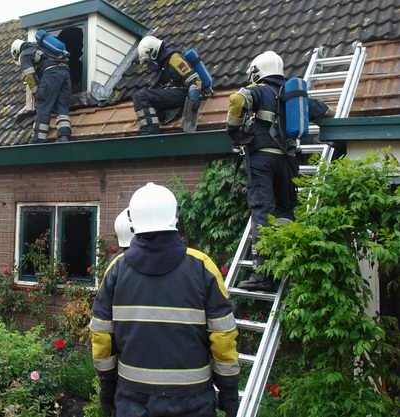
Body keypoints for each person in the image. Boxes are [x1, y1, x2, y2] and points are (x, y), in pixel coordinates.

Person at [91, 183, 240, 417]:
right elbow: (223, 335)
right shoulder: (202, 267)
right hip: (193, 402)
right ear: (175, 216)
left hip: (133, 402)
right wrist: (228, 389)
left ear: (132, 219)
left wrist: (107, 386)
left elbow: (101, 335)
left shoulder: (116, 270)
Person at [227, 50, 335, 291]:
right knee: (285, 211)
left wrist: (234, 131)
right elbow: (328, 113)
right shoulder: (295, 96)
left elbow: (236, 100)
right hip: (287, 161)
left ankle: (263, 274)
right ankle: (286, 262)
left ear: (258, 71)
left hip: (262, 160)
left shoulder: (259, 90)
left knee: (263, 211)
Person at [11, 30, 72, 144]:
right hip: (66, 73)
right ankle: (64, 136)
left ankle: (38, 138)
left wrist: (37, 93)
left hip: (52, 75)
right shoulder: (40, 47)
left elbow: (29, 75)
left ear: (17, 51)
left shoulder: (24, 54)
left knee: (43, 105)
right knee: (62, 105)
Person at [133, 35, 202, 135]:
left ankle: (150, 134)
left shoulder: (174, 58)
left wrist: (194, 95)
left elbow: (193, 79)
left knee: (140, 96)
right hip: (176, 93)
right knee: (146, 97)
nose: (149, 64)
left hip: (184, 93)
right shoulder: (162, 64)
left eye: (148, 60)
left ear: (153, 53)